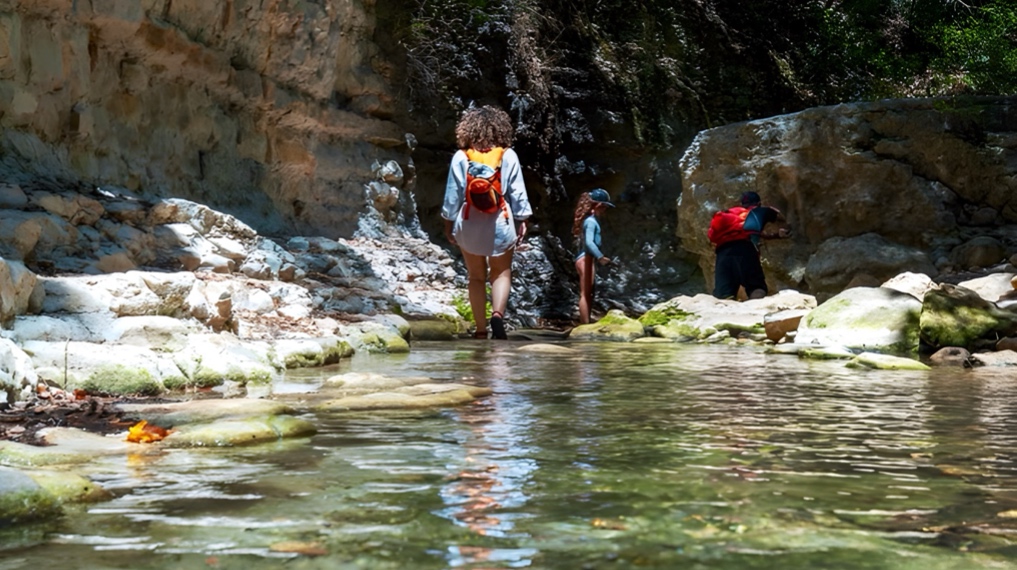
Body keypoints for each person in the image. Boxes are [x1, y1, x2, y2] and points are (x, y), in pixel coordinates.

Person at [442, 105, 532, 339]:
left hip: (469, 222)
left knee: (475, 276)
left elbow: (453, 194)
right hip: (500, 221)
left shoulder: (461, 157)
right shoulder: (508, 155)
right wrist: (522, 219)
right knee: (501, 273)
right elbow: (517, 191)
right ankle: (498, 315)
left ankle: (481, 330)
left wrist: (448, 224)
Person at [709, 190, 790, 300]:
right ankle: (756, 311)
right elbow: (781, 217)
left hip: (723, 254)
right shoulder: (757, 213)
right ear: (758, 203)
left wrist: (775, 235)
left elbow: (714, 236)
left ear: (742, 204)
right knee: (756, 287)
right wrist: (780, 232)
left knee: (725, 295)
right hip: (745, 250)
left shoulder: (730, 215)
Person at [573, 188, 614, 324]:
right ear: (598, 206)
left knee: (589, 293)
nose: (604, 211)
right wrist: (600, 257)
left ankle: (586, 321)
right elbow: (589, 243)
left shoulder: (591, 220)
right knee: (585, 293)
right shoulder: (591, 222)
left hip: (588, 258)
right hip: (586, 258)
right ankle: (585, 324)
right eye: (604, 207)